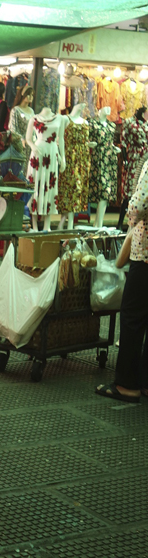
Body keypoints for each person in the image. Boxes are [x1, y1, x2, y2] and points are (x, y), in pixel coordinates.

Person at [96, 157, 148, 403]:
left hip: (146, 254)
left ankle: (127, 384)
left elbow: (138, 205)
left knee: (133, 316)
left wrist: (131, 222)